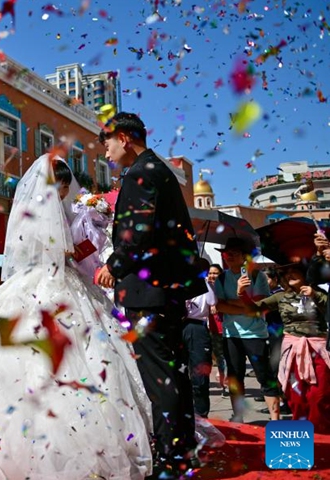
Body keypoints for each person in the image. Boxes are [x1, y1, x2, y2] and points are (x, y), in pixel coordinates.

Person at [0, 154, 153, 479]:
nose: (64, 193)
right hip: (46, 287)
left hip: (51, 284)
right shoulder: (39, 216)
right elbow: (49, 253)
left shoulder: (43, 213)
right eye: (62, 187)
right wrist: (76, 248)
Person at [95, 112, 206, 476]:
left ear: (125, 138)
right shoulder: (155, 169)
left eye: (108, 143)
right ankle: (183, 449)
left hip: (149, 291)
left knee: (160, 376)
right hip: (162, 289)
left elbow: (137, 232)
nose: (107, 152)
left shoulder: (142, 173)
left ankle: (172, 460)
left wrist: (114, 266)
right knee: (172, 373)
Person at [240, 262, 329, 432]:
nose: (290, 275)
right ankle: (301, 438)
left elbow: (327, 309)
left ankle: (321, 437)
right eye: (286, 273)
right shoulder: (281, 297)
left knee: (318, 396)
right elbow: (253, 309)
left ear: (305, 275)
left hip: (318, 350)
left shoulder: (319, 292)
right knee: (296, 398)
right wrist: (242, 293)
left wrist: (315, 295)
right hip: (293, 350)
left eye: (295, 271)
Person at [213, 237, 280, 422]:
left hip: (255, 335)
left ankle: (275, 419)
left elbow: (259, 306)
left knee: (264, 376)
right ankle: (238, 416)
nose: (228, 257)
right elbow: (220, 306)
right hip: (231, 335)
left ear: (244, 256)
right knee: (235, 378)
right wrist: (245, 304)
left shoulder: (257, 276)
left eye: (234, 253)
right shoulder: (221, 278)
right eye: (226, 254)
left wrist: (240, 298)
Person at [183, 258, 216, 418]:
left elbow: (212, 301)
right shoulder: (182, 282)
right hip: (181, 325)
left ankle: (201, 413)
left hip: (198, 327)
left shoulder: (205, 283)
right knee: (182, 370)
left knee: (200, 373)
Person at [207, 264, 229, 397]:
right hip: (213, 328)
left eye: (215, 273)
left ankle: (228, 383)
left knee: (228, 358)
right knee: (220, 358)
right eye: (210, 273)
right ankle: (224, 383)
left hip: (227, 327)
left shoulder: (226, 288)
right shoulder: (205, 289)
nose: (212, 275)